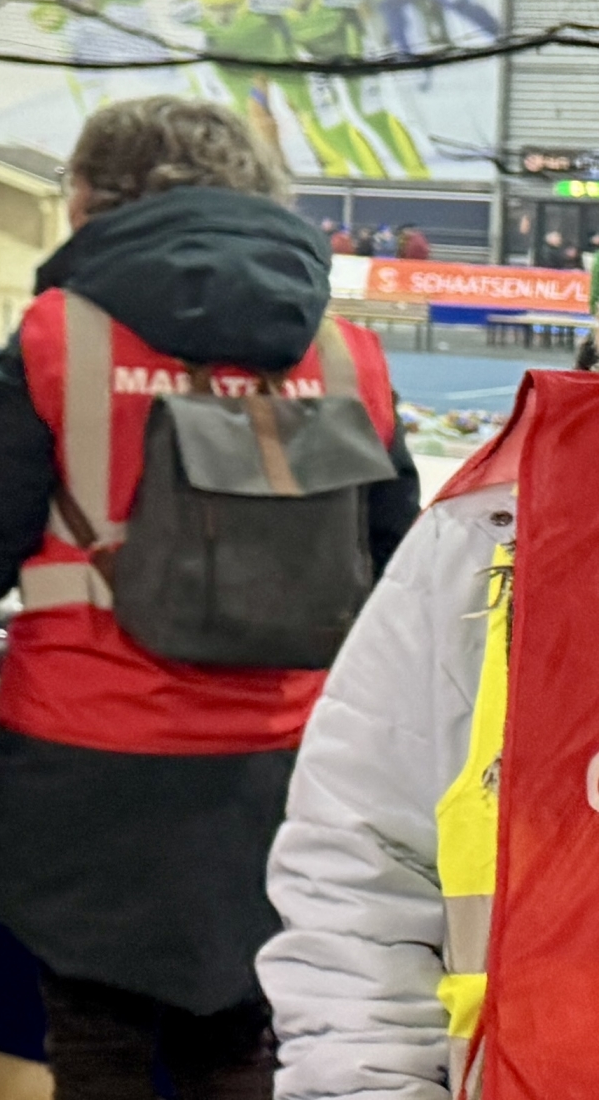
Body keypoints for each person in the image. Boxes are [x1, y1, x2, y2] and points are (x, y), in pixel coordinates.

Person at [0, 97, 418, 1100]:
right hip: (282, 755)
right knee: (240, 1039)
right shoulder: (346, 353)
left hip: (85, 743)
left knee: (94, 1037)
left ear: (96, 197)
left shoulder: (57, 335)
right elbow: (393, 558)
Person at [253, 394, 523, 1097]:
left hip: (101, 721)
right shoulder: (497, 520)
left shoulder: (486, 521)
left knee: (104, 1027)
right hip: (290, 714)